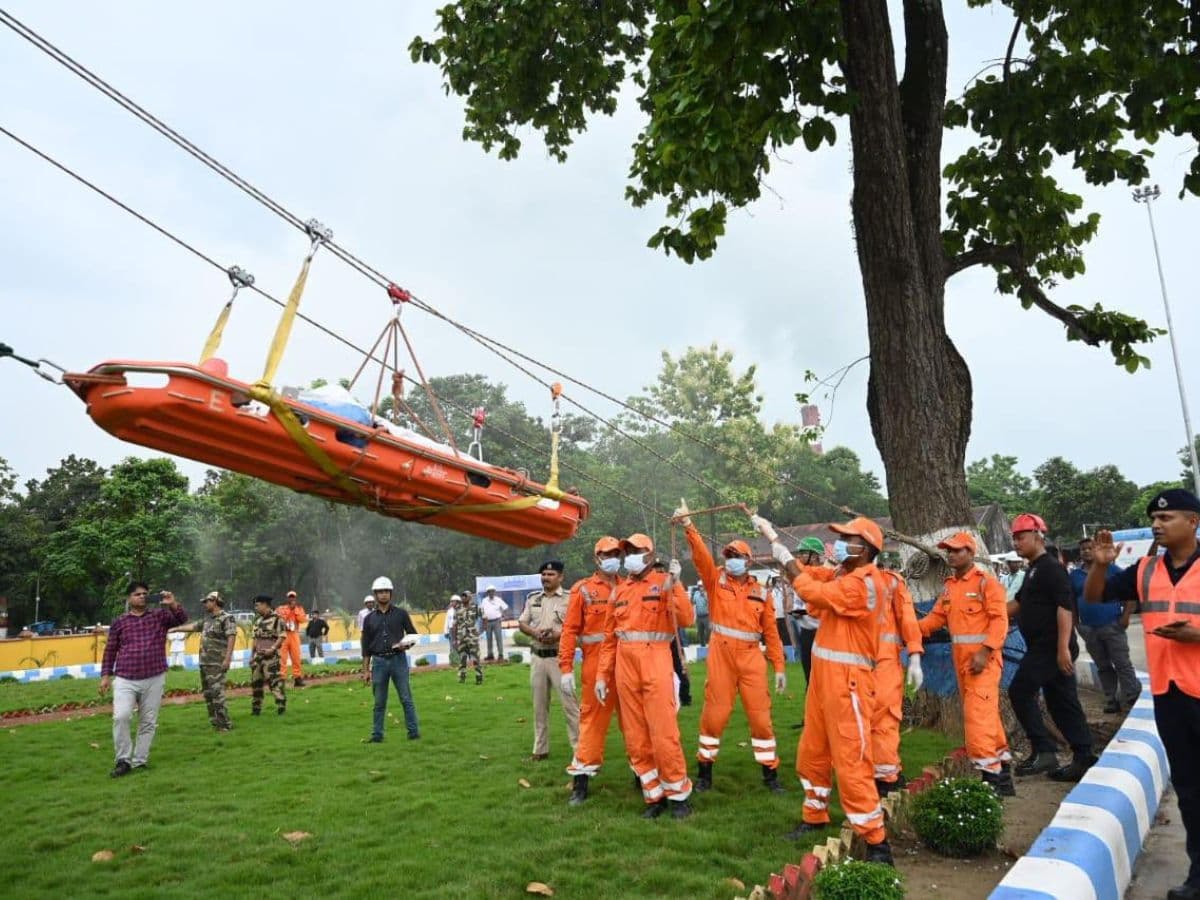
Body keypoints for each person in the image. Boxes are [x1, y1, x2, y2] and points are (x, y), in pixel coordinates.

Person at [756, 513, 896, 867]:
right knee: (812, 752)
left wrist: (779, 549)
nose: (841, 544)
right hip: (823, 680)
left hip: (848, 683)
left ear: (866, 549)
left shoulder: (864, 584)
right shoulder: (842, 575)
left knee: (852, 760)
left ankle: (876, 842)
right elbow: (811, 575)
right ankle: (814, 814)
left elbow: (810, 589)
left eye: (849, 540)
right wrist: (777, 544)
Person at [1085, 489, 1200, 900]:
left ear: (1192, 522)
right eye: (1154, 518)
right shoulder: (1145, 569)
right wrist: (1100, 566)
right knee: (1189, 790)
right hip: (1170, 694)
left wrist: (1196, 635)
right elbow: (1094, 598)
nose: (1156, 524)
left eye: (1166, 518)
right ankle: (1198, 877)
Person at [679, 503, 788, 795]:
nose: (731, 560)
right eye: (728, 556)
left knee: (761, 720)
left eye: (737, 556)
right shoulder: (715, 580)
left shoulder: (761, 592)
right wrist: (689, 526)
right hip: (722, 657)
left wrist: (779, 667)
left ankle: (770, 775)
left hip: (752, 659)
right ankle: (704, 773)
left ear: (748, 561)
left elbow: (772, 633)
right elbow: (701, 557)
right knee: (713, 717)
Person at [596, 533, 695, 818]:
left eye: (636, 551)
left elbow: (686, 619)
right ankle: (654, 797)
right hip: (625, 667)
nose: (629, 556)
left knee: (664, 734)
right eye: (627, 551)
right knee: (636, 738)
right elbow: (609, 638)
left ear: (650, 554)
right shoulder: (619, 591)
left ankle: (678, 796)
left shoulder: (664, 582)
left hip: (656, 662)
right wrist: (602, 675)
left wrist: (676, 584)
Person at [918, 532, 1014, 796]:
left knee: (978, 721)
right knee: (987, 718)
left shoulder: (987, 583)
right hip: (964, 665)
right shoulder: (950, 587)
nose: (951, 555)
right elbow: (934, 620)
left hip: (983, 664)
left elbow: (1000, 621)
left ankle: (990, 783)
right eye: (948, 550)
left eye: (957, 550)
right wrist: (908, 629)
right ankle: (1003, 777)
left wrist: (984, 652)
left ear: (971, 553)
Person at [1006, 513, 1095, 782]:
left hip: (1050, 647)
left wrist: (1062, 648)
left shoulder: (1050, 568)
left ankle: (1044, 750)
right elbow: (1017, 604)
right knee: (1062, 703)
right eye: (1014, 538)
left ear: (1038, 536)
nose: (1016, 543)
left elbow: (1064, 606)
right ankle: (1083, 756)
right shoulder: (1033, 570)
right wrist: (983, 614)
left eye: (1021, 537)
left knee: (1020, 691)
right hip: (1043, 646)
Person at [99, 582, 188, 777]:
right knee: (121, 717)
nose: (142, 597)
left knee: (148, 721)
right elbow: (110, 650)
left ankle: (140, 761)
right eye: (137, 594)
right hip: (126, 678)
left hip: (154, 677)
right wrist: (105, 676)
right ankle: (123, 760)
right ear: (129, 598)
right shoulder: (120, 622)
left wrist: (172, 603)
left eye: (145, 594)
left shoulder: (160, 616)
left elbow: (182, 619)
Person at [563, 537, 626, 805]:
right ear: (596, 558)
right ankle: (580, 784)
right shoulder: (583, 590)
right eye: (606, 554)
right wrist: (566, 668)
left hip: (628, 664)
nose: (612, 559)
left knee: (635, 723)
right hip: (595, 665)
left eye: (616, 554)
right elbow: (569, 630)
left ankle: (644, 776)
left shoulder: (629, 586)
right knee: (590, 724)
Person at [519, 560, 581, 761]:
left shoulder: (570, 599)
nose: (546, 578)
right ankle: (540, 750)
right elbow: (522, 622)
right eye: (544, 574)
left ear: (561, 577)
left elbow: (578, 627)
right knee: (539, 707)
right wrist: (535, 632)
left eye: (551, 574)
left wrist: (558, 635)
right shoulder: (534, 599)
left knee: (570, 706)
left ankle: (581, 752)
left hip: (559, 659)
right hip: (538, 658)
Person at [871, 565, 924, 796]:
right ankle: (877, 777)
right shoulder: (843, 579)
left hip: (881, 663)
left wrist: (914, 654)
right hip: (857, 664)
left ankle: (885, 779)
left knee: (882, 719)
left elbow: (907, 619)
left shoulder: (890, 582)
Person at [1072, 537, 1140, 713]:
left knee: (1122, 662)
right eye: (1083, 549)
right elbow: (1071, 601)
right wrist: (1077, 624)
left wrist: (1125, 616)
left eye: (1090, 548)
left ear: (1096, 549)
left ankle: (1132, 696)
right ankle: (1111, 699)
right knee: (1103, 666)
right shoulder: (1074, 575)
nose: (1086, 551)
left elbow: (1131, 592)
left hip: (1112, 625)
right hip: (1088, 628)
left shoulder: (1111, 569)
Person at [361, 576, 420, 742]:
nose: (383, 594)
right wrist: (365, 670)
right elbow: (366, 647)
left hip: (398, 660)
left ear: (391, 593)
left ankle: (413, 733)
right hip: (378, 662)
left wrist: (404, 645)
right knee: (379, 702)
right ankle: (377, 735)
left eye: (386, 591)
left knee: (406, 699)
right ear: (375, 594)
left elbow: (413, 635)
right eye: (380, 592)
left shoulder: (401, 614)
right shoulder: (369, 619)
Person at [171, 591, 237, 732]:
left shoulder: (227, 618)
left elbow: (231, 637)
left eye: (207, 601)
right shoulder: (208, 619)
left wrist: (227, 658)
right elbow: (193, 626)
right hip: (205, 662)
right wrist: (176, 629)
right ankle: (215, 723)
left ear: (215, 601)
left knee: (217, 694)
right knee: (208, 694)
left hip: (217, 663)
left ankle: (225, 724)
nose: (205, 604)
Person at [791, 537, 826, 688]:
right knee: (809, 678)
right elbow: (797, 607)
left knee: (825, 678)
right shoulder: (800, 578)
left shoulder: (827, 577)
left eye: (804, 553)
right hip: (806, 633)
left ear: (815, 555)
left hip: (824, 634)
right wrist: (799, 612)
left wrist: (806, 611)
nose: (800, 557)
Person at [250, 594, 287, 715]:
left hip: (271, 657)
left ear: (265, 605)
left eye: (257, 605)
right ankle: (256, 708)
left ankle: (281, 705)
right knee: (256, 683)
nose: (255, 607)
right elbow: (255, 639)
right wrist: (251, 656)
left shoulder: (277, 619)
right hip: (258, 657)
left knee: (274, 682)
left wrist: (273, 648)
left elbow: (282, 636)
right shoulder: (258, 620)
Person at [276, 591, 308, 687]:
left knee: (296, 657)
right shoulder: (281, 608)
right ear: (287, 598)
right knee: (282, 658)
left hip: (294, 634)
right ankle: (281, 679)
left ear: (295, 598)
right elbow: (280, 619)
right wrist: (290, 610)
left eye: (293, 597)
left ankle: (297, 678)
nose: (292, 599)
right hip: (284, 635)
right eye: (290, 597)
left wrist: (295, 610)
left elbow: (302, 620)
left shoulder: (299, 609)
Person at [454, 592, 484, 684]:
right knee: (462, 658)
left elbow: (485, 617)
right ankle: (462, 677)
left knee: (476, 658)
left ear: (470, 597)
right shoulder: (458, 608)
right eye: (462, 596)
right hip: (461, 637)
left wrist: (482, 630)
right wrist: (455, 639)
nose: (463, 598)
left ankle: (479, 677)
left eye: (465, 596)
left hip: (472, 637)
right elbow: (455, 624)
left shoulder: (476, 607)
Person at [479, 585, 509, 661]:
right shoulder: (484, 600)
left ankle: (500, 655)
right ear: (487, 593)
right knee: (489, 639)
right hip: (487, 622)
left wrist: (503, 616)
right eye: (489, 591)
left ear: (494, 592)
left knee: (499, 638)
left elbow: (505, 607)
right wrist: (483, 622)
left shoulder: (498, 599)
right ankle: (490, 655)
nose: (491, 593)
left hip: (497, 621)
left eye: (492, 591)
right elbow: (482, 611)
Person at [444, 595, 460, 665]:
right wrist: (445, 631)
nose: (452, 603)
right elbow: (446, 621)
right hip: (451, 630)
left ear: (458, 602)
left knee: (459, 646)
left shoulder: (461, 610)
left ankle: (460, 661)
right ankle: (453, 662)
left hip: (459, 630)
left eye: (454, 601)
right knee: (452, 646)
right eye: (452, 601)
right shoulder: (449, 611)